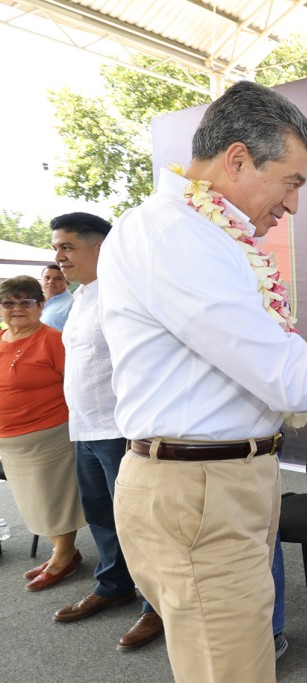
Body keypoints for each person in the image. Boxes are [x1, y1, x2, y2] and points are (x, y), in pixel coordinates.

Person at [97, 80, 307, 683]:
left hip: (224, 482)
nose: (293, 205)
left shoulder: (206, 236)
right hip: (199, 488)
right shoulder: (174, 233)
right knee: (230, 670)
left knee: (239, 657)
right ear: (237, 159)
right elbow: (285, 376)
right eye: (292, 181)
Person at [47, 212, 164, 650]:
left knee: (139, 525)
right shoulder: (80, 297)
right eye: (56, 247)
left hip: (121, 429)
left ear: (100, 247)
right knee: (101, 515)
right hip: (85, 428)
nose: (58, 257)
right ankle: (113, 584)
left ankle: (156, 606)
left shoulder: (126, 294)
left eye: (67, 246)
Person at [0, 275, 85, 590]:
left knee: (54, 501)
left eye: (26, 301)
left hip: (48, 435)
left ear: (41, 305)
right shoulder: (1, 338)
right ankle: (62, 553)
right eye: (9, 302)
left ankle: (64, 556)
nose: (17, 308)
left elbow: (75, 386)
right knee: (33, 502)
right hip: (10, 441)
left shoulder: (52, 339)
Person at [39, 264, 73, 331]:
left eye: (57, 278)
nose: (51, 282)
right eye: (47, 278)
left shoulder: (73, 304)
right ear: (41, 280)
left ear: (67, 282)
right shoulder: (34, 302)